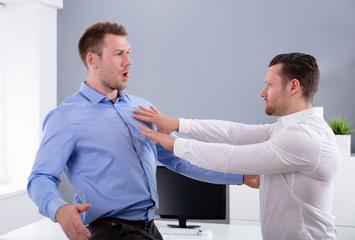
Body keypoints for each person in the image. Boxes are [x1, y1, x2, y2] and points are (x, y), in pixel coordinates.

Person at [27, 21, 256, 240]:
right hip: (110, 233)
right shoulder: (65, 117)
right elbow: (40, 177)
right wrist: (59, 209)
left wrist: (241, 176)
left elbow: (180, 160)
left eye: (129, 53)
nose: (129, 61)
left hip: (150, 230)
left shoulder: (141, 109)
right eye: (119, 54)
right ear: (93, 60)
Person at [134, 52, 339, 240]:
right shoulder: (286, 130)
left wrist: (174, 143)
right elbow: (233, 132)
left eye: (269, 85)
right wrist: (177, 123)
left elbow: (231, 157)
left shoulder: (305, 138)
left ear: (293, 86)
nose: (262, 93)